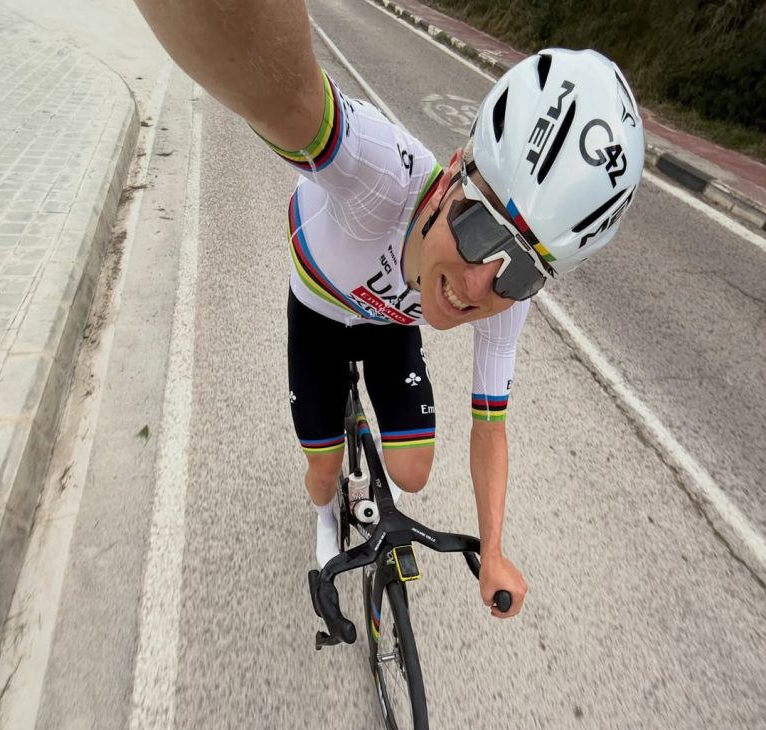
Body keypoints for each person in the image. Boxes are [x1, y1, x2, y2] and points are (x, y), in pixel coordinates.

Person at [133, 0, 645, 619]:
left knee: (413, 473)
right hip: (320, 311)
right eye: (482, 228)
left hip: (389, 325)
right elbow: (283, 94)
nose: (480, 286)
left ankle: (363, 438)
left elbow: (490, 427)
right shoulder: (381, 174)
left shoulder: (508, 293)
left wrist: (496, 551)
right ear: (456, 170)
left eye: (524, 269)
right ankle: (326, 513)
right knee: (322, 477)